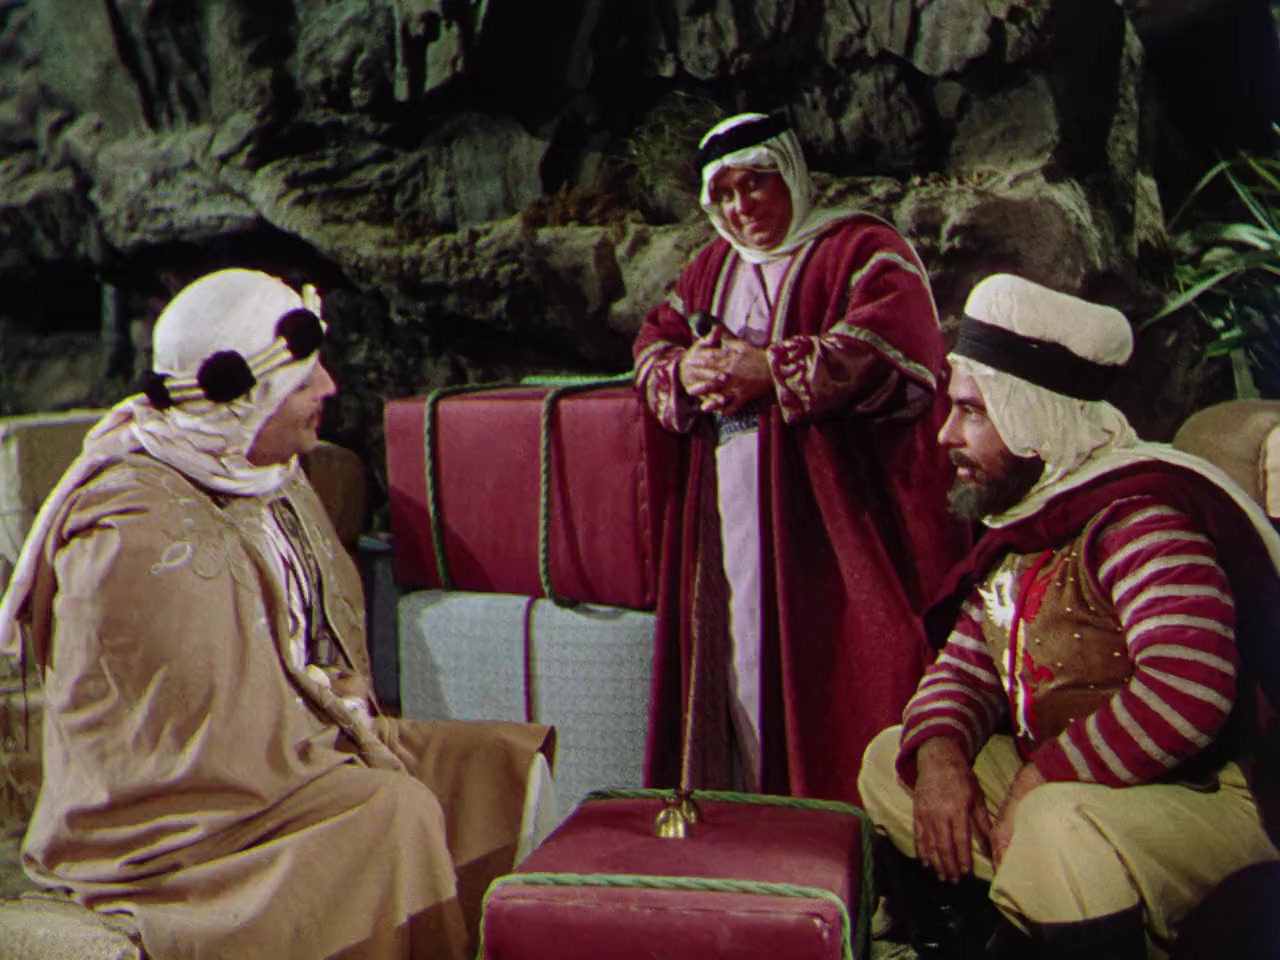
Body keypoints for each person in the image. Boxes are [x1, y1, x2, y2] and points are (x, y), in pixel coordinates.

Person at [0, 269, 556, 960]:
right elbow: (177, 744)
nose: (329, 388)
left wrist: (336, 698)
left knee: (500, 768)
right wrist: (327, 706)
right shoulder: (131, 530)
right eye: (302, 380)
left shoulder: (269, 474)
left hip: (301, 743)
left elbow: (298, 646)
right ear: (243, 398)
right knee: (397, 811)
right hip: (185, 826)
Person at [857, 274, 1280, 959]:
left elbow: (1190, 692)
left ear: (1033, 419)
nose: (945, 436)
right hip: (1077, 795)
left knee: (1056, 823)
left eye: (971, 412)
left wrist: (1039, 779)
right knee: (892, 761)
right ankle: (997, 921)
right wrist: (939, 759)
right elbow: (964, 670)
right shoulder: (1029, 527)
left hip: (1205, 800)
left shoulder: (1142, 523)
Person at [633, 111, 966, 802]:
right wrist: (685, 371)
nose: (741, 206)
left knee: (854, 678)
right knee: (737, 667)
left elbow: (901, 352)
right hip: (728, 517)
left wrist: (773, 369)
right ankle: (751, 823)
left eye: (755, 183)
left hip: (831, 521)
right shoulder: (709, 269)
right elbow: (653, 344)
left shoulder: (862, 249)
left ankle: (851, 837)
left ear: (790, 174)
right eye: (725, 194)